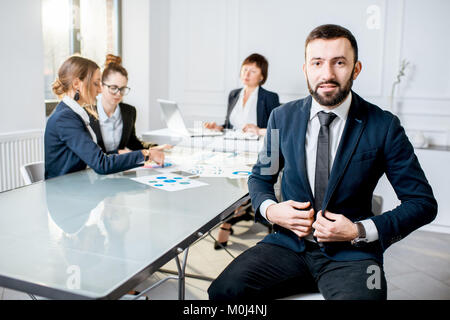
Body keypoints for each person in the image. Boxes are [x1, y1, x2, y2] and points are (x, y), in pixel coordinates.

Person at [208, 24, 437, 300]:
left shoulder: (384, 125)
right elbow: (260, 177)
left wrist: (359, 229)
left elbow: (422, 203)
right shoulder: (281, 118)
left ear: (356, 69)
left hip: (355, 254)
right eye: (317, 63)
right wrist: (271, 211)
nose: (327, 74)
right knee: (223, 292)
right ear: (306, 69)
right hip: (286, 246)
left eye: (339, 62)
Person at [204, 53, 280, 249]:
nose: (246, 73)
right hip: (232, 147)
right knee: (224, 180)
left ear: (262, 76)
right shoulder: (233, 94)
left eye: (252, 70)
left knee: (245, 182)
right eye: (245, 68)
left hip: (257, 150)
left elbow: (275, 129)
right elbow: (229, 124)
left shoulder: (269, 97)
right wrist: (218, 127)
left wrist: (258, 129)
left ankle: (229, 221)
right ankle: (237, 210)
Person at [45, 55, 164, 179]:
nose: (100, 90)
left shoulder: (72, 113)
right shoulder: (64, 118)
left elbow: (93, 157)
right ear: (76, 84)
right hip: (64, 192)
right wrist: (146, 154)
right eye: (96, 84)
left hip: (79, 184)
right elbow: (102, 164)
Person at [89, 54, 171, 155]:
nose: (118, 94)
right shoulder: (88, 113)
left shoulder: (129, 112)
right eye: (113, 88)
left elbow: (133, 142)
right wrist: (117, 153)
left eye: (123, 89)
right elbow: (90, 154)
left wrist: (154, 147)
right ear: (101, 85)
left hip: (119, 168)